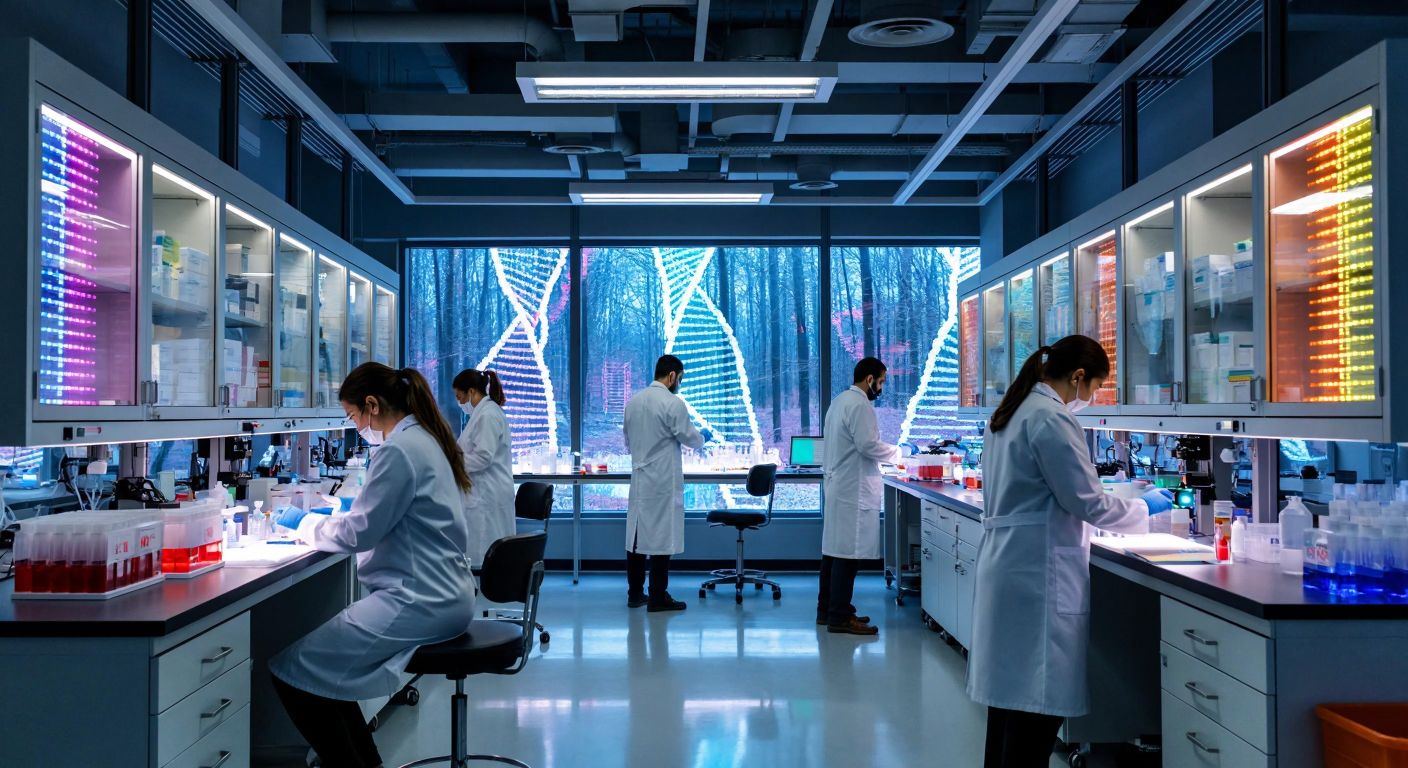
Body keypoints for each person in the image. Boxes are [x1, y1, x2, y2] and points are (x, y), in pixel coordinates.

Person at [966, 336, 1173, 768]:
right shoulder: (1050, 418)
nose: (1091, 398)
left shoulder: (1013, 410)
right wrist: (1144, 507)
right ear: (1077, 377)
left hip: (1012, 566)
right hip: (1035, 574)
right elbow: (1088, 502)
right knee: (1032, 713)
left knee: (1007, 712)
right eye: (1094, 387)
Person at [271, 363, 476, 768]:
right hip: (443, 593)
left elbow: (358, 534)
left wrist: (302, 523)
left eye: (352, 417)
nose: (355, 426)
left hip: (419, 598)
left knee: (293, 671)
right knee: (325, 675)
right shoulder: (423, 438)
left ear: (371, 404)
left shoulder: (399, 449)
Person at [818, 357, 905, 636]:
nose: (881, 388)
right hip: (851, 490)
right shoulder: (859, 404)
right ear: (869, 380)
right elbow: (867, 444)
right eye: (880, 382)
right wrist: (900, 453)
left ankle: (827, 610)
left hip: (840, 487)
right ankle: (840, 617)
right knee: (847, 555)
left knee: (833, 552)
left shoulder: (840, 401)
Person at [623, 354, 710, 612]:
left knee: (636, 538)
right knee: (661, 539)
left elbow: (628, 441)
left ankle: (635, 594)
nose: (679, 383)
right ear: (672, 376)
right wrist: (704, 436)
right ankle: (658, 596)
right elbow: (689, 438)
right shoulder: (672, 403)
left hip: (640, 480)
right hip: (661, 481)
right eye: (679, 378)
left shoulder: (633, 402)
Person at [453, 368, 515, 567]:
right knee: (483, 549)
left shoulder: (487, 415)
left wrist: (452, 462)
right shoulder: (483, 414)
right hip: (484, 492)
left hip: (487, 494)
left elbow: (482, 457)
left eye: (460, 396)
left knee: (486, 551)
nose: (460, 402)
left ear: (471, 392)